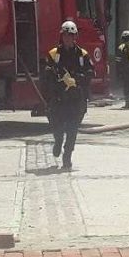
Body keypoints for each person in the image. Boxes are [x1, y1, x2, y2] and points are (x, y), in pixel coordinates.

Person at [44, 20, 94, 170]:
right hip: (58, 99)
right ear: (62, 36)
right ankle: (58, 141)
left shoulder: (82, 55)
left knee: (72, 131)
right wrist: (58, 80)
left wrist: (77, 79)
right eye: (65, 35)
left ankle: (67, 156)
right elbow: (46, 74)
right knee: (57, 128)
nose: (68, 38)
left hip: (76, 99)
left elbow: (91, 72)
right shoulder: (54, 54)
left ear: (75, 37)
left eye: (71, 36)